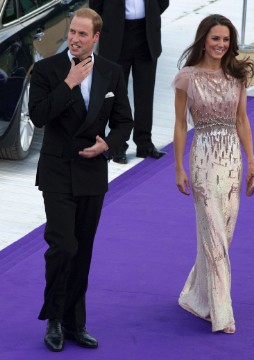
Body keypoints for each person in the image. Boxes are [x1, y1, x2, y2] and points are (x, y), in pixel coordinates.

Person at [29, 8, 133, 352]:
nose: (74, 38)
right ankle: (54, 320)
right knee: (64, 247)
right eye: (72, 31)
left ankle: (76, 323)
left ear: (96, 38)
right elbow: (40, 116)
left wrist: (108, 145)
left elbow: (123, 122)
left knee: (83, 251)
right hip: (57, 172)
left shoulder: (111, 72)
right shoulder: (47, 70)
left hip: (92, 175)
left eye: (82, 34)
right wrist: (68, 84)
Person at [173, 14, 254, 334]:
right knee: (213, 236)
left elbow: (242, 121)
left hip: (232, 161)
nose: (221, 45)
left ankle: (198, 296)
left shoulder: (237, 75)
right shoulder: (187, 77)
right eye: (215, 39)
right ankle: (222, 312)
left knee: (222, 234)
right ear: (203, 40)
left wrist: (252, 160)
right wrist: (179, 167)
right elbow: (181, 123)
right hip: (203, 160)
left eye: (226, 40)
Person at [89, 0, 169, 164]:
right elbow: (95, 4)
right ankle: (118, 145)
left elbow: (163, 2)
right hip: (116, 35)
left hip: (146, 34)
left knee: (145, 93)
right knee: (117, 95)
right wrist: (111, 20)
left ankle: (144, 143)